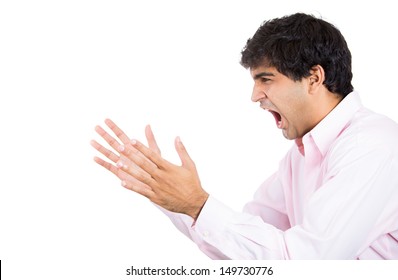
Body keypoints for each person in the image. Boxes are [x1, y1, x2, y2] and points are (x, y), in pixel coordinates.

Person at [91, 13, 398, 259]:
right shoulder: (299, 157)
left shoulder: (370, 146)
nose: (255, 96)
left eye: (266, 79)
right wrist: (172, 196)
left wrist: (197, 204)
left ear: (314, 78)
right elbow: (248, 250)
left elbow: (307, 263)